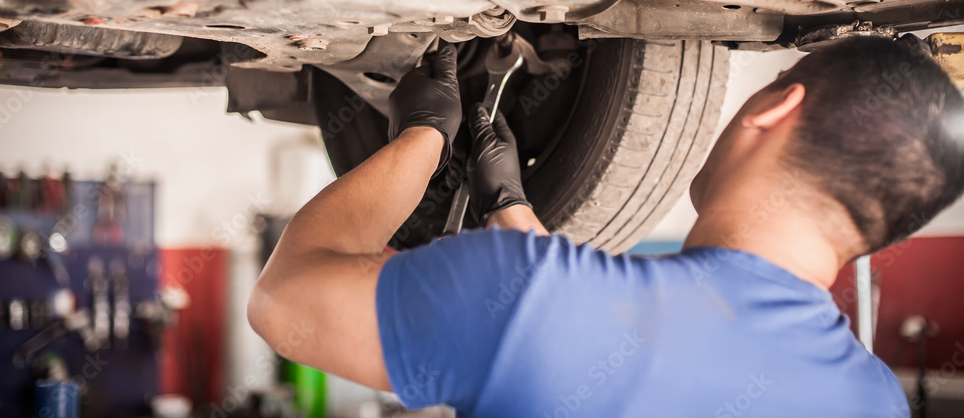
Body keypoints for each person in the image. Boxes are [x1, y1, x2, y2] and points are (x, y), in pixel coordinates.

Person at [247, 35, 964, 417]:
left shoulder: (536, 298)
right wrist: (505, 202)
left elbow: (284, 302)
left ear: (773, 110)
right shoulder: (871, 398)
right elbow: (587, 328)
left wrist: (421, 138)